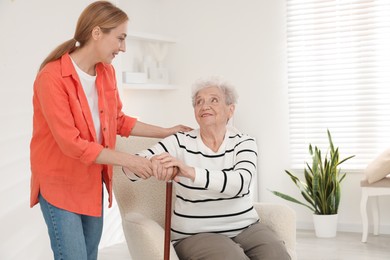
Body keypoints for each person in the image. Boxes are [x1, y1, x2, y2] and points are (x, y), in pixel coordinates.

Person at [30, 1, 191, 260]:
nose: (123, 47)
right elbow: (71, 143)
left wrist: (166, 131)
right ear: (96, 33)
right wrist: (130, 160)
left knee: (89, 256)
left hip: (91, 182)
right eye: (120, 38)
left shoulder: (106, 72)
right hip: (58, 184)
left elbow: (118, 120)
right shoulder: (51, 78)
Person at [123, 77, 291, 260]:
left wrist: (189, 171)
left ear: (230, 109)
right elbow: (130, 168)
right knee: (231, 257)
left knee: (277, 255)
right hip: (195, 234)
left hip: (246, 227)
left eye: (214, 100)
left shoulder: (244, 142)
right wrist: (154, 164)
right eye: (199, 102)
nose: (204, 106)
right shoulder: (180, 141)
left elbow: (241, 183)